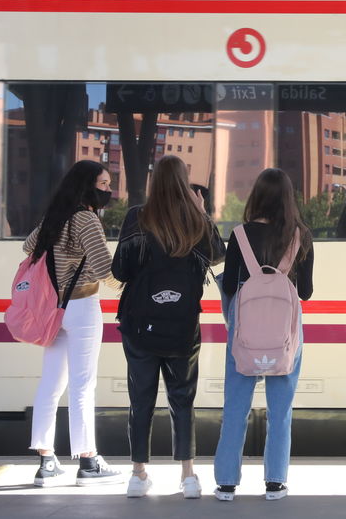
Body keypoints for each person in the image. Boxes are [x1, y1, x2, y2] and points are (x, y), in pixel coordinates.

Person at [112, 157, 225, 499]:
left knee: (141, 398)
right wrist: (202, 212)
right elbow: (219, 256)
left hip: (140, 327)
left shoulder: (137, 216)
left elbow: (119, 270)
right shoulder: (195, 219)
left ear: (154, 182)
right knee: (183, 399)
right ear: (183, 182)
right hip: (183, 326)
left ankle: (138, 474)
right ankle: (188, 477)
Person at [23, 159, 126, 487]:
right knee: (83, 385)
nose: (108, 190)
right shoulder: (87, 219)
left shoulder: (57, 216)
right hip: (82, 308)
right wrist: (132, 288)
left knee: (51, 383)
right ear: (87, 185)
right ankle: (88, 461)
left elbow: (28, 247)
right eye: (104, 184)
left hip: (54, 308)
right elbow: (103, 270)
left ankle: (46, 461)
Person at [213, 169, 315, 502]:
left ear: (256, 196)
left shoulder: (239, 235)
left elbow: (229, 287)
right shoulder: (301, 236)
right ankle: (275, 482)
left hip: (245, 331)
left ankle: (227, 483)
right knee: (280, 411)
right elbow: (307, 293)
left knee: (235, 409)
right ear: (288, 198)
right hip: (285, 334)